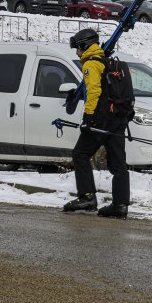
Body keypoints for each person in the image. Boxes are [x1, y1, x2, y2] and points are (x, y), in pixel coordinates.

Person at [62, 28, 130, 219]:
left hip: (100, 120)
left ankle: (87, 197)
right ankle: (120, 205)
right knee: (118, 163)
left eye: (78, 48)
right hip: (117, 119)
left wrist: (88, 118)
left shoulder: (91, 64)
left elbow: (93, 92)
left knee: (80, 154)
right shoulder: (107, 62)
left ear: (85, 46)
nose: (77, 52)